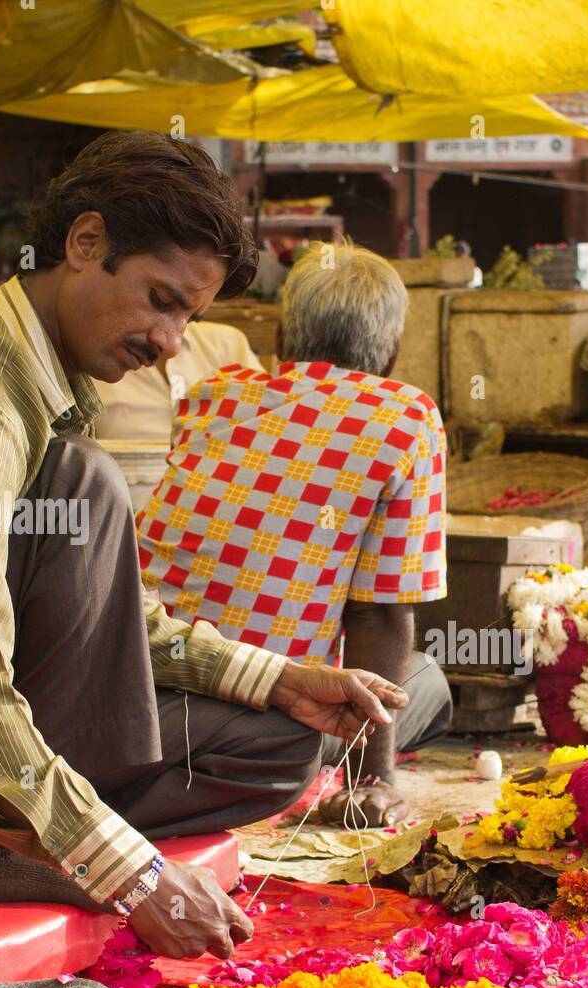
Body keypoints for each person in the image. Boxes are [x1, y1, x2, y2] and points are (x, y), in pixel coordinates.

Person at [0, 131, 407, 964]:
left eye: (191, 318)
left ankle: (7, 841)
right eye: (161, 300)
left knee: (284, 743)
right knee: (85, 483)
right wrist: (129, 874)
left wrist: (278, 678)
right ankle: (33, 833)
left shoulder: (55, 394)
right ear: (85, 241)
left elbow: (120, 615)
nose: (172, 341)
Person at [137, 241, 451, 830]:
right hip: (258, 705)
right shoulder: (406, 418)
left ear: (282, 339)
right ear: (391, 353)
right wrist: (372, 782)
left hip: (144, 669)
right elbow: (380, 611)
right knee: (427, 681)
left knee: (408, 677)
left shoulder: (213, 395)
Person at [93, 318, 263, 443]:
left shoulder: (227, 344)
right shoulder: (95, 358)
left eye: (194, 315)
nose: (173, 348)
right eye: (161, 299)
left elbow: (266, 427)